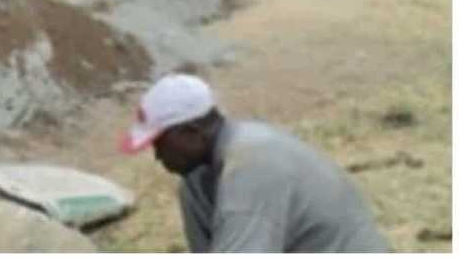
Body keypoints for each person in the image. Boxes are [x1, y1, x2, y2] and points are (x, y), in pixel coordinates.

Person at [120, 74, 390, 253]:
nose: (157, 156)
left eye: (160, 144)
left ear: (191, 132)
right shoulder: (197, 179)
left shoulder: (253, 165)